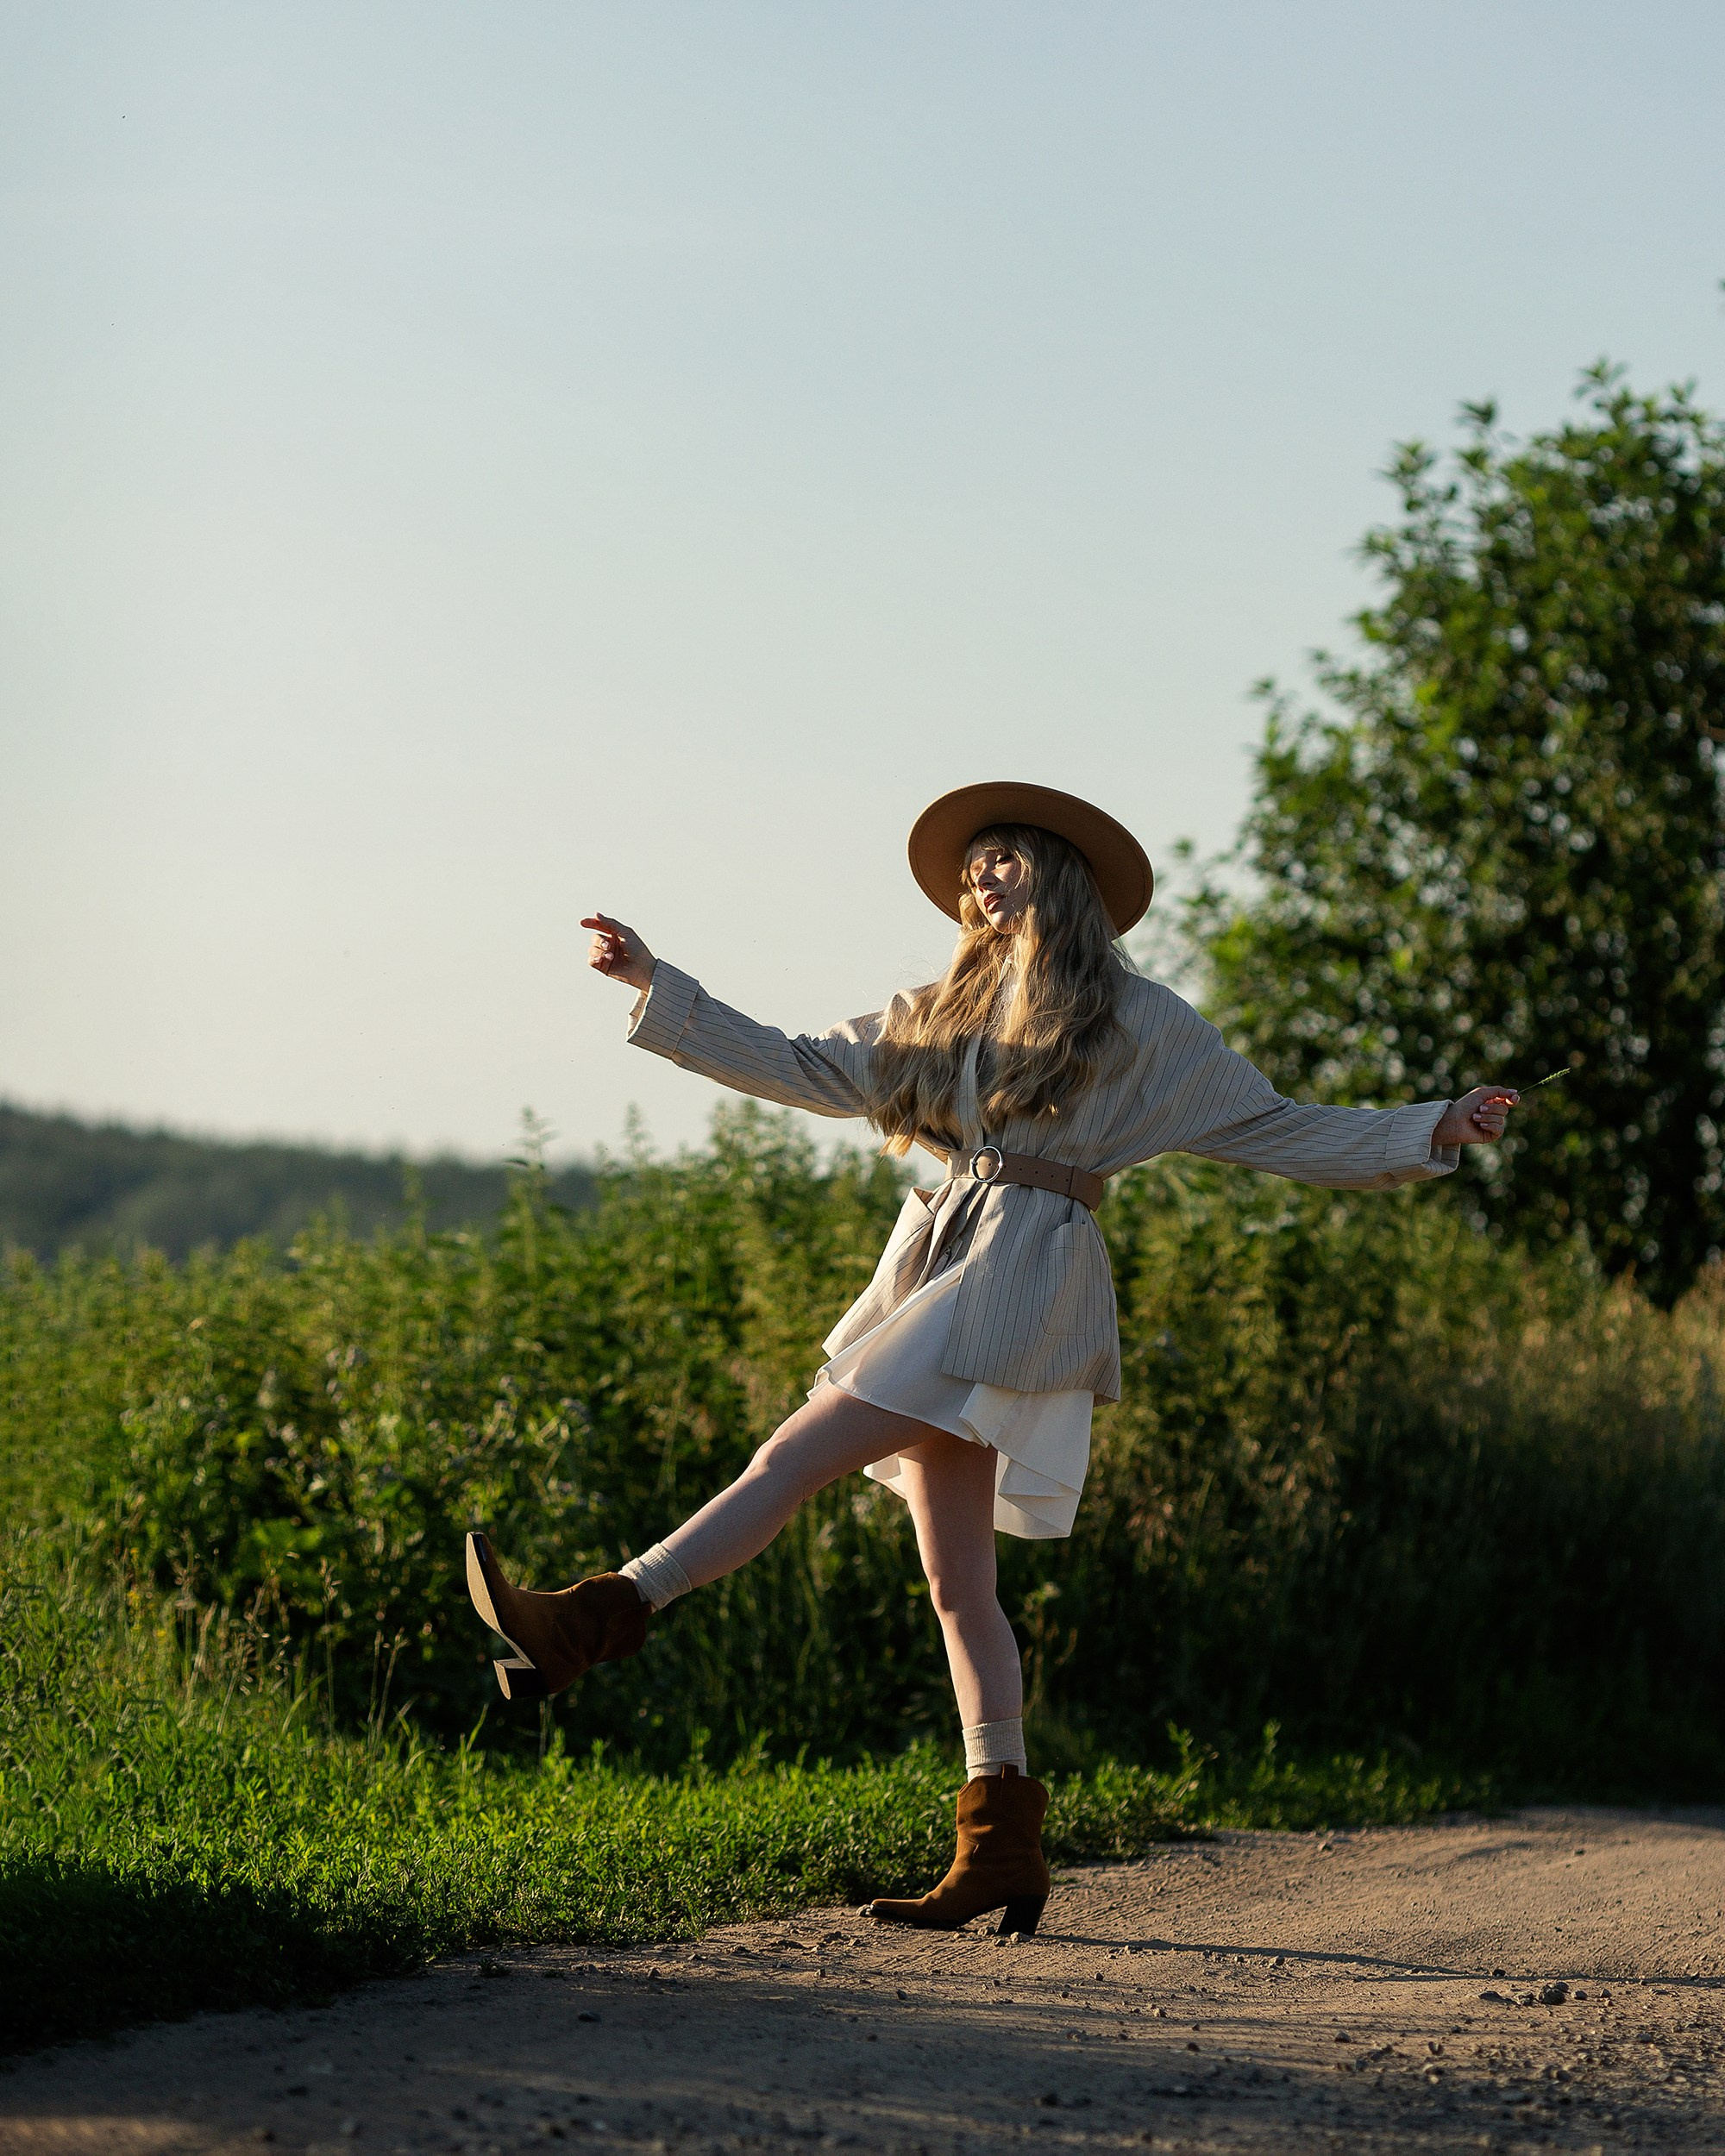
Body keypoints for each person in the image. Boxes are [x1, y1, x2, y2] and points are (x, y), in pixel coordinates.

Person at [463, 780, 1518, 1937]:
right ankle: (1002, 1846)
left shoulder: (1139, 1019)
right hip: (942, 1266)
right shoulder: (937, 1009)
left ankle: (589, 1621)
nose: (982, 875)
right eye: (975, 862)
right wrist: (662, 988)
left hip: (1025, 1275)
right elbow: (803, 1065)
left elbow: (1268, 1124)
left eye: (1006, 855)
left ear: (1058, 876)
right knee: (961, 1589)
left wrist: (1431, 1127)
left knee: (791, 1455)